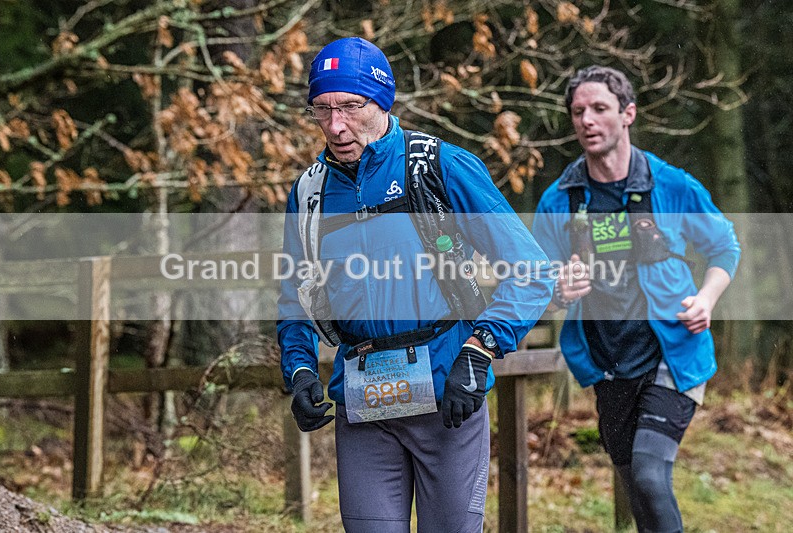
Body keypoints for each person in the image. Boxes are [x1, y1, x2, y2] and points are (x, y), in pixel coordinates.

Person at [277, 37, 552, 532]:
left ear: (383, 102)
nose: (336, 126)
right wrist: (298, 370)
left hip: (447, 393)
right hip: (363, 405)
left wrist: (480, 348)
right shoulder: (310, 193)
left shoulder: (439, 166)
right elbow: (293, 297)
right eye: (321, 110)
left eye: (351, 107)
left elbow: (531, 271)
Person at [532, 65, 741, 532]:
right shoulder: (559, 200)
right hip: (606, 361)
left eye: (599, 109)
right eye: (578, 111)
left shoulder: (671, 185)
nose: (587, 120)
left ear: (627, 114)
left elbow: (724, 246)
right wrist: (557, 289)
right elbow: (539, 279)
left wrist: (707, 298)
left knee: (648, 475)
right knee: (638, 490)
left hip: (673, 352)